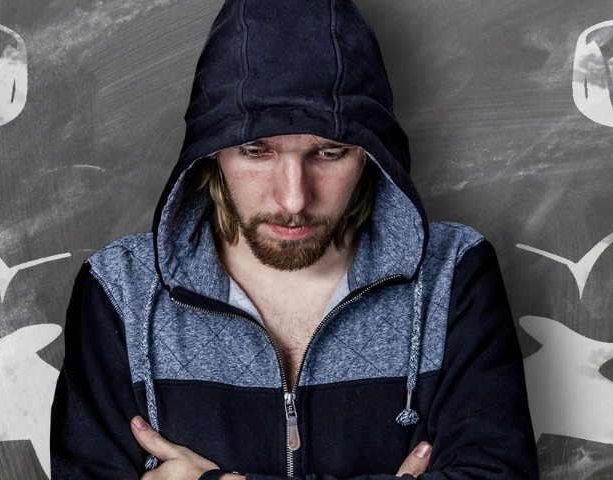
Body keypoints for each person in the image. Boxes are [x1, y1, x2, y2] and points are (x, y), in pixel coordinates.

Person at [50, 0, 539, 479]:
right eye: (255, 150)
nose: (293, 199)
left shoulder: (454, 275)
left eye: (329, 152)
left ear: (371, 155)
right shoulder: (121, 290)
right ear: (212, 153)